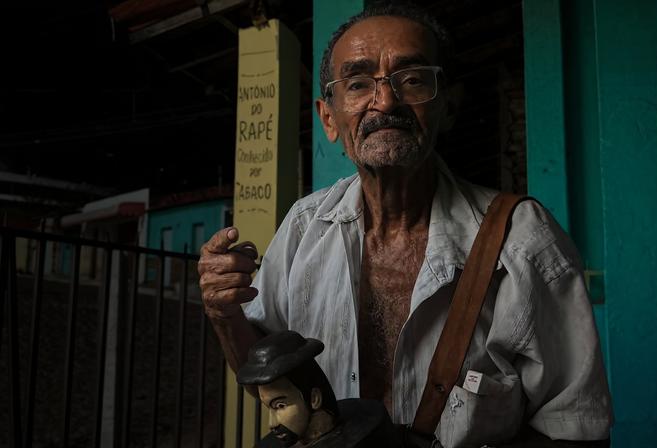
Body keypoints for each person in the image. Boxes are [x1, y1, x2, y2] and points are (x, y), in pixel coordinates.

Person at [198, 3, 613, 447]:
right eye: (357, 84)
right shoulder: (302, 229)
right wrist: (224, 314)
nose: (385, 101)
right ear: (329, 119)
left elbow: (576, 430)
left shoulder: (524, 239)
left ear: (448, 106)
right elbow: (267, 379)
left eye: (412, 80)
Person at [238, 330, 400, 448]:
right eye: (269, 408)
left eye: (280, 406)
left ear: (314, 398)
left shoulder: (368, 433)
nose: (271, 424)